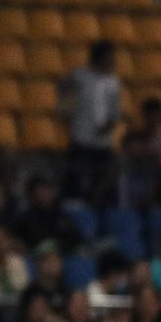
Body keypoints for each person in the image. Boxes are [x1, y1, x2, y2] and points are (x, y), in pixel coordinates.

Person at [59, 40, 122, 204]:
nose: (113, 61)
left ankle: (99, 205)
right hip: (81, 137)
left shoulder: (113, 81)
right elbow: (65, 98)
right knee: (75, 178)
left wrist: (110, 124)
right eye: (110, 57)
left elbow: (115, 110)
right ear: (100, 58)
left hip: (103, 142)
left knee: (106, 178)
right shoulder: (79, 76)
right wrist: (67, 115)